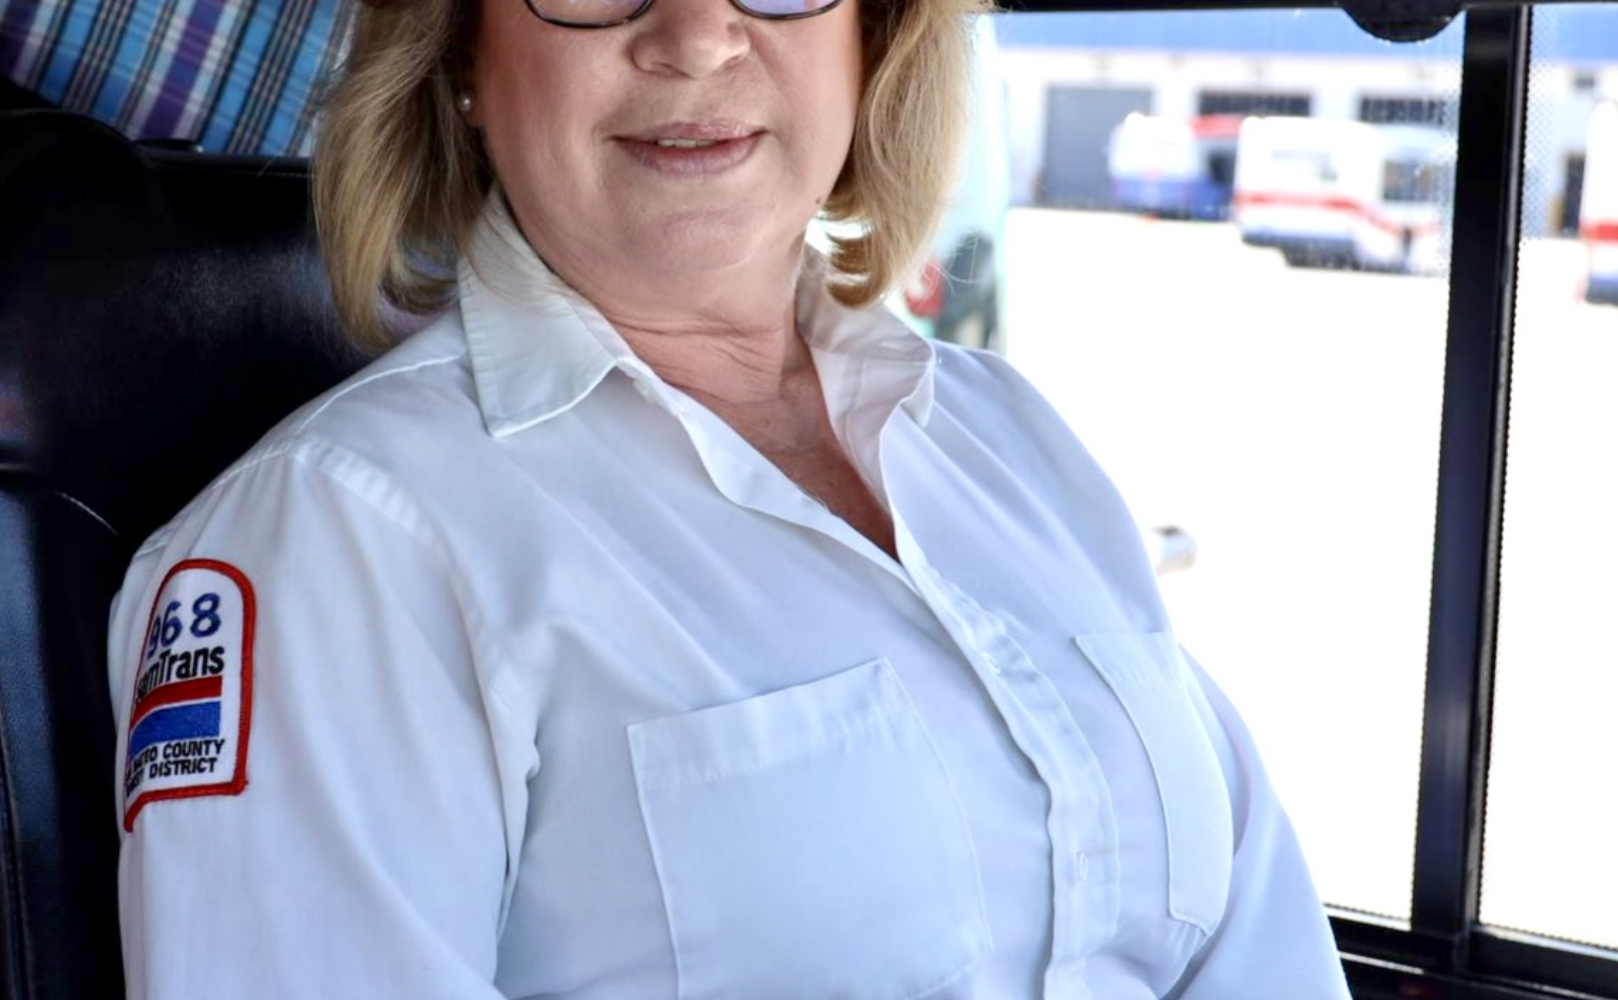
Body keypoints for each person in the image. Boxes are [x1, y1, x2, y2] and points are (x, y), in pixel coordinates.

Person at [106, 0, 1354, 997]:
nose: (698, 33)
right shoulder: (338, 542)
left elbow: (1260, 940)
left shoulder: (1014, 439)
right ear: (461, 61)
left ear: (869, 38)